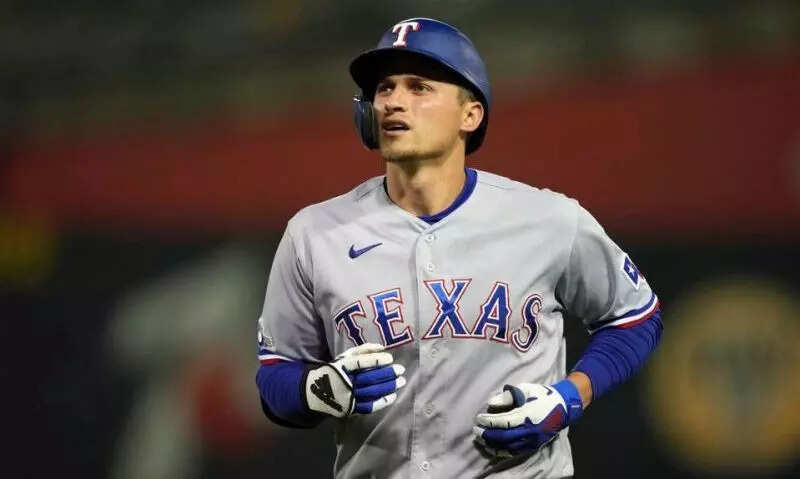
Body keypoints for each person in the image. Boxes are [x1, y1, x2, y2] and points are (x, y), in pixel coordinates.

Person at [255, 18, 663, 478]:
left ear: (470, 115)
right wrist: (318, 388)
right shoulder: (315, 233)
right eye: (385, 88)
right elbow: (275, 376)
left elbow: (635, 319)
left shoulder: (549, 220)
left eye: (419, 87)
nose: (393, 101)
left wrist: (569, 397)